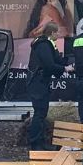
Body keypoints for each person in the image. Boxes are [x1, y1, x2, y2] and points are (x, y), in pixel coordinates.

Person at [26, 22, 68, 150]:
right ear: (52, 33)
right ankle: (35, 143)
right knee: (40, 113)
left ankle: (39, 141)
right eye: (58, 33)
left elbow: (55, 60)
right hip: (38, 83)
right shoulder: (44, 45)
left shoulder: (46, 43)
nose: (59, 35)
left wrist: (66, 62)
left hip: (40, 82)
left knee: (41, 112)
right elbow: (49, 65)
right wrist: (64, 69)